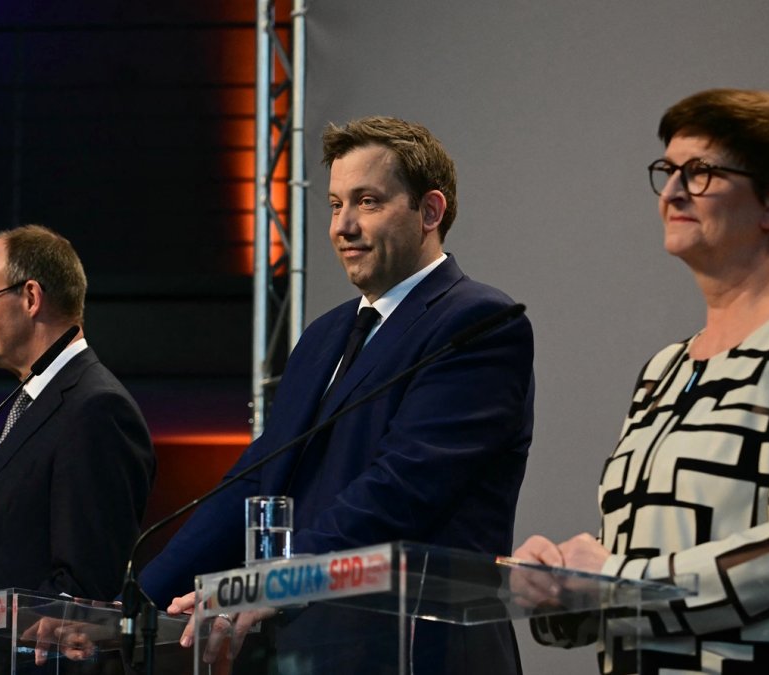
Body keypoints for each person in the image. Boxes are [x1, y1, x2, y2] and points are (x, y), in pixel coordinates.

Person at [139, 116, 535, 673]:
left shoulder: (479, 324)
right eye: (334, 205)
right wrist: (137, 602)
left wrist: (277, 580)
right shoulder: (323, 336)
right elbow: (257, 479)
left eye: (367, 202)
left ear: (430, 211)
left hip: (423, 651)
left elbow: (401, 488)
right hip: (310, 651)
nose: (343, 226)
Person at [513, 89, 769, 673]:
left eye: (701, 172)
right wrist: (564, 589)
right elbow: (642, 571)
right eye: (669, 170)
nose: (673, 192)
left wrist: (617, 581)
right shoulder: (665, 369)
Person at [0, 224, 155, 600]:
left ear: (30, 298)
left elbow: (84, 588)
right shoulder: (33, 403)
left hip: (29, 643)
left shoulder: (97, 410)